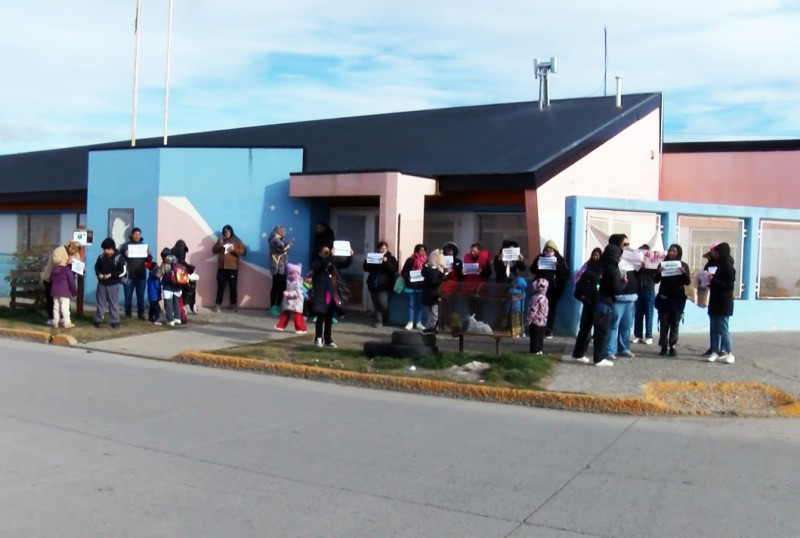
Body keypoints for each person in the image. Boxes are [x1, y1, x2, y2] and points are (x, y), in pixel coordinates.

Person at [591, 240, 628, 366]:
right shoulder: (613, 269)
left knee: (598, 331)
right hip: (605, 302)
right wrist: (624, 282)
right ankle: (599, 358)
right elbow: (616, 289)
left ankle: (598, 356)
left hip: (594, 300)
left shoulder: (600, 265)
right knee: (602, 332)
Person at [310, 244, 353, 347]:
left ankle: (328, 339)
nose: (328, 254)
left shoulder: (331, 263)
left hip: (332, 293)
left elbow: (345, 264)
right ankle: (318, 338)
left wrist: (350, 256)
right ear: (320, 253)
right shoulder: (317, 262)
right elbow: (318, 266)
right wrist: (329, 257)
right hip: (321, 293)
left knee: (329, 317)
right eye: (325, 252)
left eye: (329, 252)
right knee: (320, 316)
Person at [653, 243, 691, 357]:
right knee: (664, 323)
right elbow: (655, 280)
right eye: (670, 251)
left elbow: (687, 282)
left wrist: (683, 273)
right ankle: (663, 346)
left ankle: (672, 346)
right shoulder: (662, 264)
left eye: (674, 251)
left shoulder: (683, 265)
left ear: (678, 252)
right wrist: (658, 272)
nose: (672, 253)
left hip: (677, 298)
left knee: (675, 323)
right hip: (664, 298)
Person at [530, 239, 569, 338]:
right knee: (537, 308)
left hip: (553, 289)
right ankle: (537, 328)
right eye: (547, 249)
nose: (548, 251)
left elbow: (565, 273)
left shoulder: (559, 259)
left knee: (550, 309)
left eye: (551, 249)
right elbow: (532, 270)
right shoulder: (540, 257)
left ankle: (549, 329)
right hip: (540, 289)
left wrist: (558, 266)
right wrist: (537, 265)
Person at [571, 247, 602, 362]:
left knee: (592, 330)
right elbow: (578, 278)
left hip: (595, 301)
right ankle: (579, 353)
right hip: (587, 301)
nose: (595, 257)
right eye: (594, 255)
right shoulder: (587, 266)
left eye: (597, 255)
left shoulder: (601, 267)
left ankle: (584, 353)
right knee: (585, 329)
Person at [707, 242, 736, 364]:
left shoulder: (729, 267)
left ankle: (729, 352)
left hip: (724, 301)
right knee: (714, 327)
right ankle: (715, 351)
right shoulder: (715, 265)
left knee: (722, 328)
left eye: (716, 251)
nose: (714, 254)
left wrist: (714, 280)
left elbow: (729, 286)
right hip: (714, 299)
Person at [41, 241, 81, 327]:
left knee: (63, 303)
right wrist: (67, 261)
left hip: (65, 281)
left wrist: (81, 268)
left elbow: (77, 263)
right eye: (73, 249)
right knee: (52, 301)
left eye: (76, 250)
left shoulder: (76, 254)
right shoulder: (59, 250)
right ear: (69, 246)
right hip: (51, 278)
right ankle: (53, 319)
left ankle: (62, 319)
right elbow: (56, 261)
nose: (74, 251)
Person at [362, 241, 398, 328]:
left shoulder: (391, 258)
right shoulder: (375, 257)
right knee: (376, 303)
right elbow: (366, 268)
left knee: (383, 303)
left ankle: (385, 318)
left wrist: (386, 262)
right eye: (381, 248)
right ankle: (379, 321)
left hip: (384, 284)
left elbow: (393, 269)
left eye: (384, 248)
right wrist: (367, 261)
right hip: (373, 283)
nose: (382, 250)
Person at [93, 238, 127, 329]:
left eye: (106, 249)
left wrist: (111, 275)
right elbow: (96, 266)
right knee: (101, 302)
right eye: (104, 249)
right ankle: (98, 319)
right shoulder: (101, 257)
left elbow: (123, 271)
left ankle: (115, 321)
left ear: (112, 248)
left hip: (113, 283)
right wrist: (99, 274)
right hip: (102, 283)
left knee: (113, 302)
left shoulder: (119, 258)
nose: (105, 251)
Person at [606, 265, 638, 360]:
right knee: (613, 325)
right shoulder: (613, 261)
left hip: (631, 297)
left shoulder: (635, 257)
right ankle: (610, 350)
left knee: (626, 326)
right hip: (618, 298)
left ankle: (624, 349)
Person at [212, 224, 246, 312]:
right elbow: (214, 250)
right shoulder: (221, 240)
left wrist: (233, 250)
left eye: (227, 232)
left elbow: (243, 251)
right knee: (220, 287)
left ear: (231, 231)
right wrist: (219, 244)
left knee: (233, 287)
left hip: (232, 268)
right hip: (222, 268)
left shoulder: (237, 241)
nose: (225, 233)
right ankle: (218, 304)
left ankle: (233, 304)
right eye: (224, 232)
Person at [121, 227, 152, 321]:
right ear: (131, 235)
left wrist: (149, 255)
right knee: (128, 296)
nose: (137, 236)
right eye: (135, 234)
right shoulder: (125, 246)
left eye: (138, 234)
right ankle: (128, 313)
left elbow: (149, 260)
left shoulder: (144, 246)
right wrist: (124, 254)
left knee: (141, 296)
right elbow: (120, 259)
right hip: (129, 275)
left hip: (141, 275)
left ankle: (141, 314)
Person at [632, 244, 657, 345]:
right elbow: (633, 275)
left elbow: (656, 278)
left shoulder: (652, 264)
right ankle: (638, 335)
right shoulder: (636, 264)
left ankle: (649, 336)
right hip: (638, 290)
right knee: (638, 314)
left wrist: (647, 267)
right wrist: (639, 267)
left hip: (649, 290)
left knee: (649, 313)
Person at [274, 263, 307, 334]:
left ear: (299, 273)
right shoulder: (289, 281)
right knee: (285, 313)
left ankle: (300, 328)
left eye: (296, 273)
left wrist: (289, 293)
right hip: (289, 301)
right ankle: (280, 326)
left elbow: (297, 292)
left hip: (297, 302)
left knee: (297, 315)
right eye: (292, 273)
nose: (294, 275)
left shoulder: (298, 282)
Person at [269, 225, 295, 316]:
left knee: (282, 287)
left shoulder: (280, 239)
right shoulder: (274, 240)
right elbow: (283, 249)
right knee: (276, 286)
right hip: (277, 267)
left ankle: (279, 305)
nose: (285, 232)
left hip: (283, 267)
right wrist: (291, 243)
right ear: (278, 231)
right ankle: (273, 306)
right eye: (283, 231)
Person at [49, 246, 77, 329]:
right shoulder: (67, 270)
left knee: (56, 307)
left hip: (54, 291)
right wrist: (74, 292)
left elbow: (50, 279)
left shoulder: (54, 270)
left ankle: (55, 322)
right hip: (65, 292)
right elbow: (71, 282)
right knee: (65, 308)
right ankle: (67, 322)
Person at [420, 248, 447, 333]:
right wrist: (444, 277)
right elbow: (434, 281)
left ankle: (431, 327)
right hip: (433, 296)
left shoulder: (428, 269)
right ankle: (430, 328)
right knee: (434, 314)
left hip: (428, 296)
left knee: (432, 314)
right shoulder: (434, 271)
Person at [401, 244, 427, 330]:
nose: (422, 252)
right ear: (416, 251)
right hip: (411, 285)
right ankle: (410, 322)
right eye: (420, 250)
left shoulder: (426, 262)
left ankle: (419, 322)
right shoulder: (410, 260)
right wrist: (409, 277)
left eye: (424, 250)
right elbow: (404, 271)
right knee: (410, 304)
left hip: (421, 286)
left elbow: (428, 273)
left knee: (420, 305)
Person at [171, 239, 197, 319]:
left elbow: (183, 263)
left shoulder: (174, 254)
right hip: (175, 276)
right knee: (185, 287)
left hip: (180, 274)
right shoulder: (173, 258)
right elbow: (179, 264)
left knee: (191, 284)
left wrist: (189, 268)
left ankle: (189, 304)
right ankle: (186, 305)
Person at [526, 278, 549, 354]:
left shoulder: (536, 298)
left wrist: (529, 319)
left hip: (535, 321)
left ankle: (534, 351)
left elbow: (533, 309)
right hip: (543, 321)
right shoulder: (545, 298)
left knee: (534, 337)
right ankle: (540, 350)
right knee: (540, 337)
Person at [145, 260, 163, 325]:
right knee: (157, 308)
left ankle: (150, 317)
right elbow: (156, 286)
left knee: (152, 307)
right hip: (155, 294)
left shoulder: (151, 276)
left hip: (151, 294)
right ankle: (157, 319)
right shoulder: (155, 277)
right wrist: (159, 291)